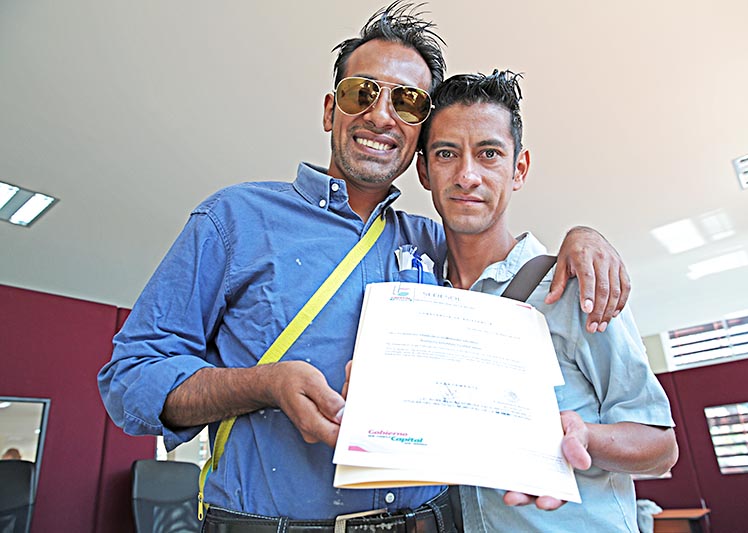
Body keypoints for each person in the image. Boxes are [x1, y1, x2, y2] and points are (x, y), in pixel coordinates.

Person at [98, 3, 630, 531]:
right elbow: (130, 379)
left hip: (433, 522)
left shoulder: (434, 242)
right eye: (362, 93)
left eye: (407, 101)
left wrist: (585, 236)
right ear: (331, 110)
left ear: (420, 135)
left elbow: (502, 248)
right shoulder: (234, 220)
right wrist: (263, 384)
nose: (380, 115)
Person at [415, 70, 679, 532]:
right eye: (445, 154)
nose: (467, 175)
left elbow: (661, 448)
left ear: (518, 169)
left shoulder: (577, 284)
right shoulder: (422, 301)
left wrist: (583, 437)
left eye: (489, 153)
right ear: (423, 170)